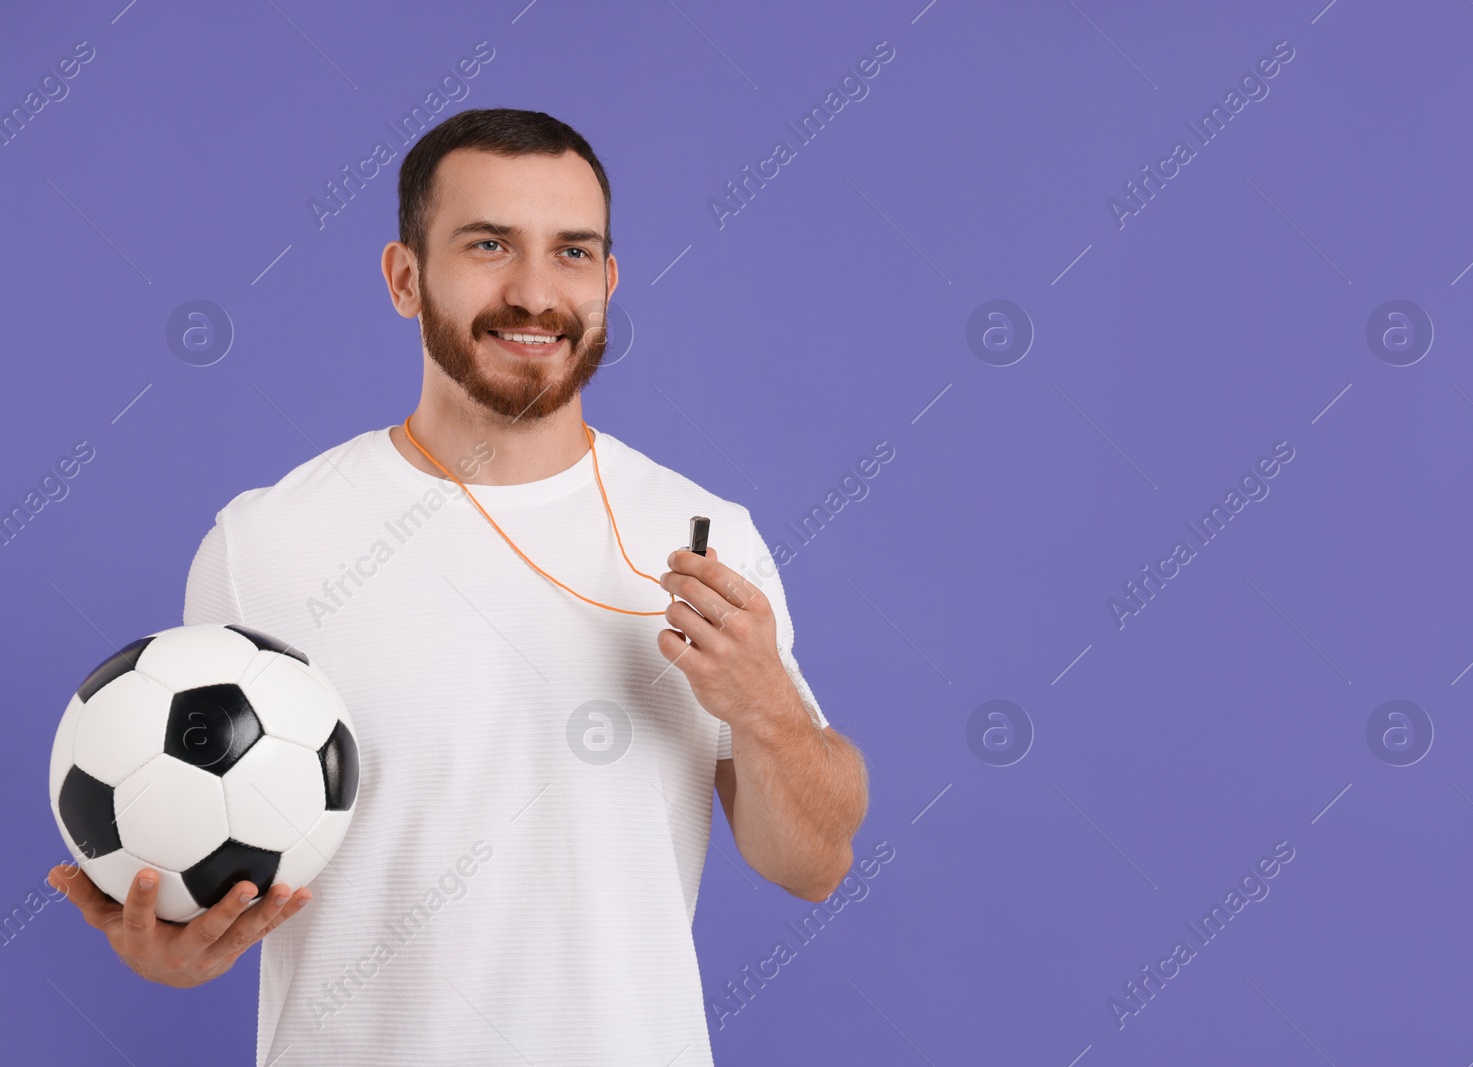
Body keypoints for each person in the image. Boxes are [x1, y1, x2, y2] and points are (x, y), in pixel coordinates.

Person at [48, 107, 869, 1066]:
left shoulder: (704, 537)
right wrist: (177, 944)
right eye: (488, 245)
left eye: (572, 252)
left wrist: (765, 706)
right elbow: (211, 854)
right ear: (406, 278)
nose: (533, 292)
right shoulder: (264, 542)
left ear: (606, 281)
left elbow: (813, 865)